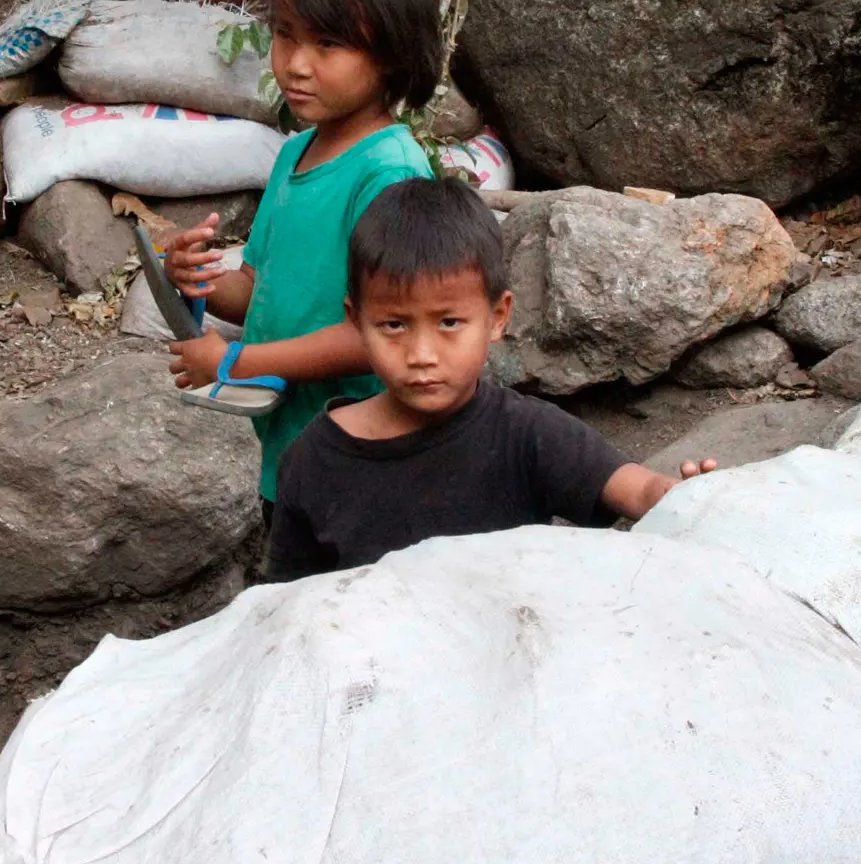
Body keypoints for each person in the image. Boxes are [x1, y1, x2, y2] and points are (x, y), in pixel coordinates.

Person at [265, 179, 712, 580]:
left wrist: (687, 497)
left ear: (498, 317)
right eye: (394, 325)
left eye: (449, 322)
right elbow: (290, 612)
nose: (422, 356)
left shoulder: (528, 433)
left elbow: (635, 488)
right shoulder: (313, 462)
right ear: (357, 321)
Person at [163, 0, 444, 510]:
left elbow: (379, 332)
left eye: (328, 44)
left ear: (394, 55)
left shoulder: (390, 172)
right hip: (294, 442)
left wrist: (235, 361)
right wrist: (200, 280)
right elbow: (264, 291)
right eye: (286, 35)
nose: (296, 63)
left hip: (362, 454)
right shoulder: (296, 152)